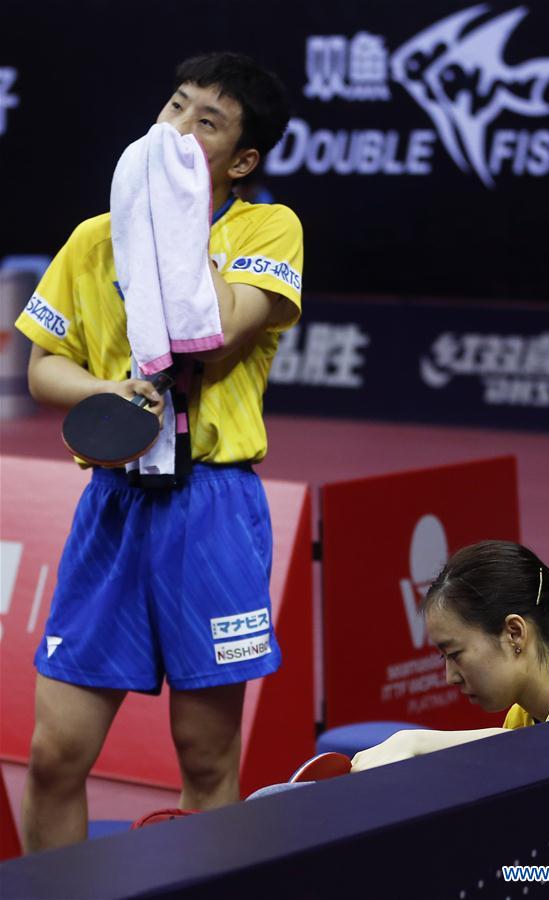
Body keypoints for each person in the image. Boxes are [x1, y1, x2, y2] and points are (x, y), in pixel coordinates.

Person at [15, 52, 303, 851]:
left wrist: (174, 222)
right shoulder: (91, 239)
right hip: (113, 508)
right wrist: (105, 392)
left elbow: (215, 337)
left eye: (205, 123)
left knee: (206, 759)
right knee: (52, 756)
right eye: (174, 107)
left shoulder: (266, 229)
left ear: (243, 160)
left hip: (209, 510)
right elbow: (43, 366)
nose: (175, 131)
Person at [351, 541, 549, 772]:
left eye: (455, 654)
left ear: (514, 633)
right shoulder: (519, 720)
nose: (450, 677)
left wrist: (416, 742)